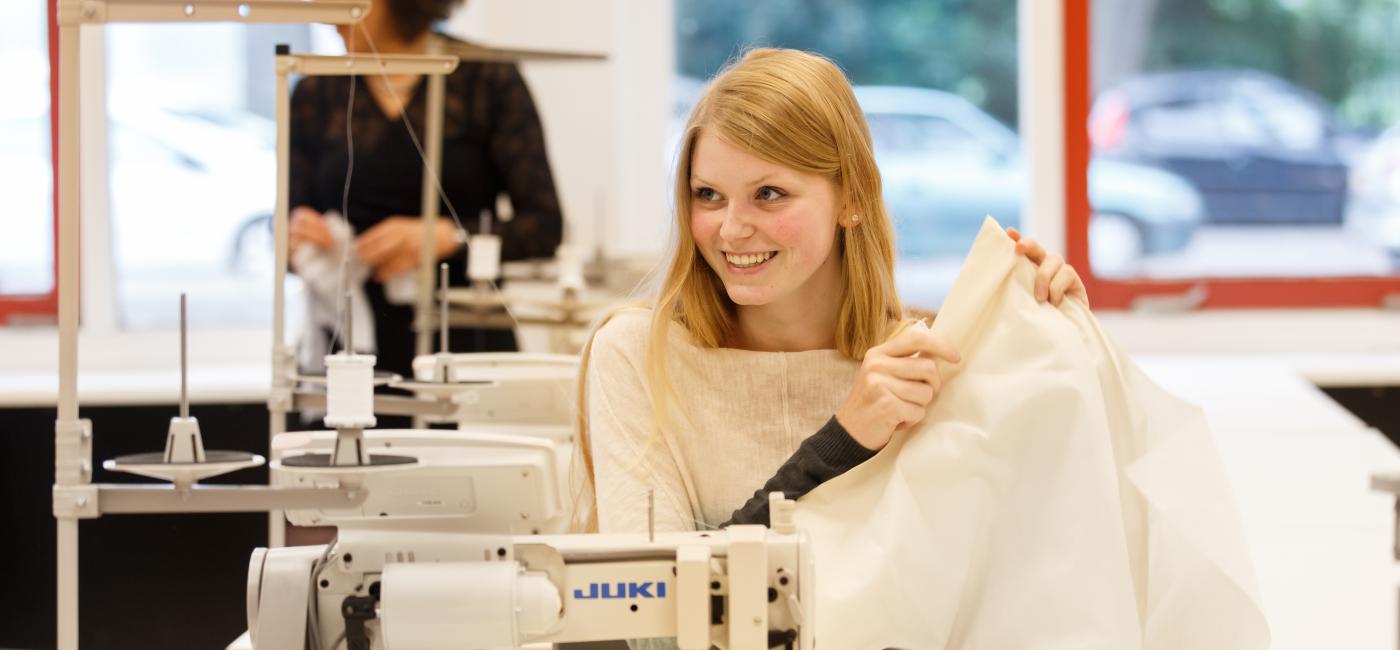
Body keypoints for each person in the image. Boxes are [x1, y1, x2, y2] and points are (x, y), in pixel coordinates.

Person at [575, 48, 1088, 537]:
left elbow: (1023, 560)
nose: (731, 230)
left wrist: (1063, 344)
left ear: (853, 199)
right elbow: (658, 611)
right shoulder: (638, 355)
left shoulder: (929, 365)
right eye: (708, 195)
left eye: (768, 194)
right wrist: (846, 439)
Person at [287, 0, 564, 379]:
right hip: (349, 357)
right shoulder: (315, 92)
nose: (326, 13)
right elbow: (289, 224)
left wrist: (447, 237)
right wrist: (296, 235)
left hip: (464, 350)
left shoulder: (486, 79)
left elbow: (544, 227)